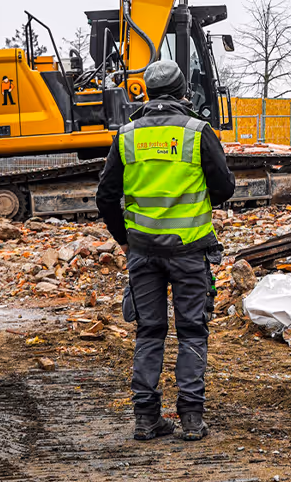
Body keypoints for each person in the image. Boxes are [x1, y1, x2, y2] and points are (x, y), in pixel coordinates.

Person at [96, 60, 235, 442]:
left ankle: (146, 419)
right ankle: (191, 419)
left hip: (142, 252)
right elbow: (224, 188)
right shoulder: (197, 132)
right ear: (181, 92)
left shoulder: (126, 136)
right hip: (190, 251)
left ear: (149, 93)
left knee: (149, 331)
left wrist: (125, 239)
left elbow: (106, 197)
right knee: (192, 330)